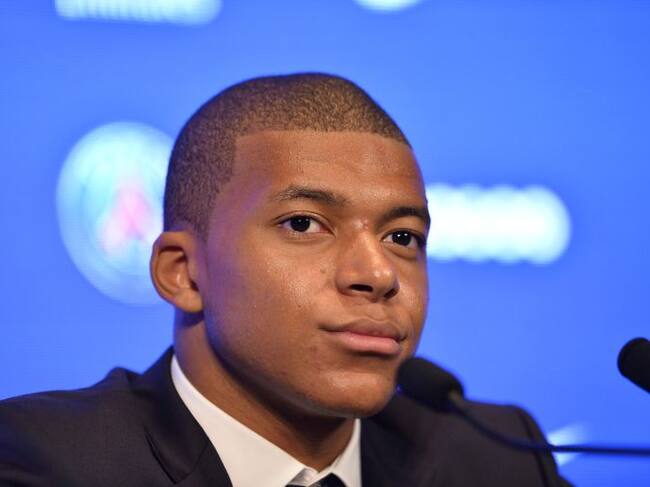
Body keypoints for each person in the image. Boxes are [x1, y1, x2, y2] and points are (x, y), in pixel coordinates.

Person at [0, 73, 570, 486]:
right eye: (304, 224)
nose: (378, 275)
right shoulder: (43, 462)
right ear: (183, 273)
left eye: (403, 237)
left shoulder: (498, 459)